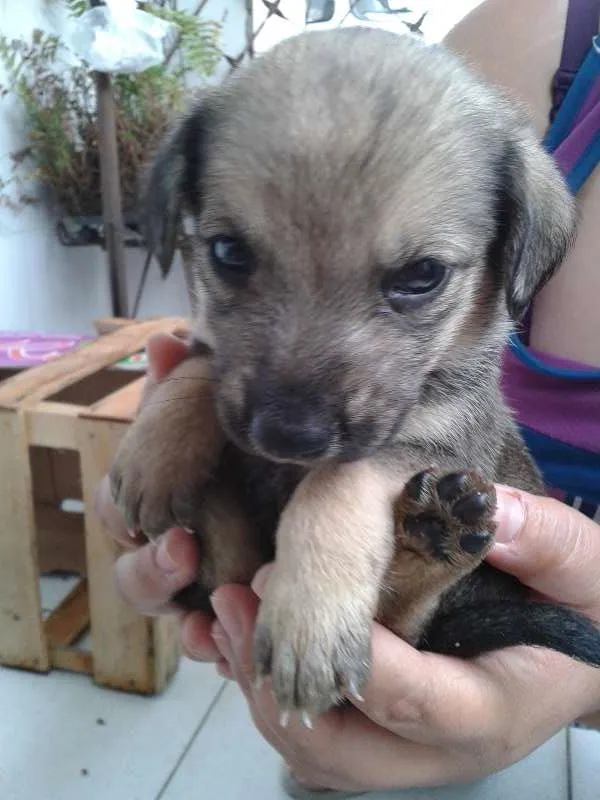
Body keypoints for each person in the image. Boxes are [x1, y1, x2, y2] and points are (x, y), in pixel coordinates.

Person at [95, 0, 600, 795]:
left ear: (515, 255)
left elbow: (447, 432)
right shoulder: (534, 40)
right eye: (232, 254)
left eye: (417, 278)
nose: (289, 410)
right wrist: (187, 404)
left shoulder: (501, 176)